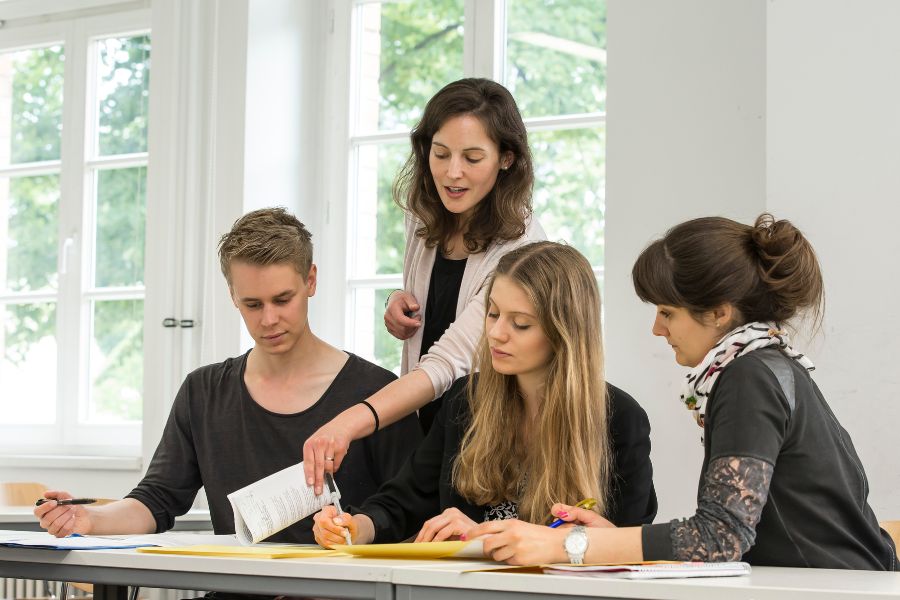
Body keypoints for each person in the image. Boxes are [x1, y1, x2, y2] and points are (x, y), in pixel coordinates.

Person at [463, 214, 897, 569]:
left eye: (667, 312)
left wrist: (565, 546)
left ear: (719, 313)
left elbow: (721, 536)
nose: (657, 328)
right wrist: (614, 543)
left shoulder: (750, 377)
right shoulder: (766, 367)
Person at [34, 208, 422, 543]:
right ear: (232, 295)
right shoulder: (203, 393)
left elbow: (410, 512)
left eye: (282, 300)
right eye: (252, 304)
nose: (268, 320)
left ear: (311, 281)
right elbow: (157, 499)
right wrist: (91, 519)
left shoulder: (377, 394)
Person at [312, 241, 657, 549]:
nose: (495, 333)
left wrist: (484, 534)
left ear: (563, 332)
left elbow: (627, 545)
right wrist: (357, 527)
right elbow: (403, 502)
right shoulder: (466, 401)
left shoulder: (620, 419)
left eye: (520, 323)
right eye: (492, 313)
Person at [303, 78, 546, 495]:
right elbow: (438, 306)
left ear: (506, 159)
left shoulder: (521, 249)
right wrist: (401, 302)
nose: (452, 173)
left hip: (486, 436)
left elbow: (446, 363)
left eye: (472, 158)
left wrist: (349, 421)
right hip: (426, 427)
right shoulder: (424, 217)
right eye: (441, 153)